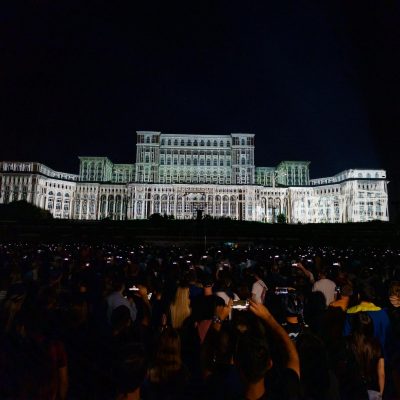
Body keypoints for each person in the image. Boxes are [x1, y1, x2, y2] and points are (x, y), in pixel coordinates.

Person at [234, 300, 301, 400]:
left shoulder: (221, 393)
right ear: (269, 363)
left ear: (237, 364)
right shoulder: (285, 393)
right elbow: (292, 355)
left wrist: (217, 321)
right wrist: (268, 317)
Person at [346, 312, 385, 399]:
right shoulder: (376, 345)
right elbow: (381, 372)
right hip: (373, 390)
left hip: (353, 390)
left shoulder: (348, 344)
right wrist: (380, 393)